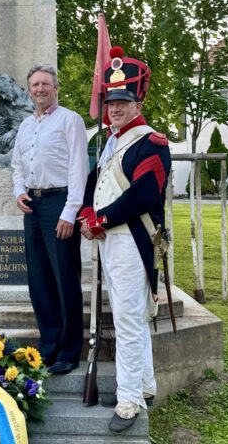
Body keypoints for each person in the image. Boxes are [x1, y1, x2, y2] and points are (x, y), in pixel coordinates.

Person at [78, 47, 171, 433]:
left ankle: (129, 399)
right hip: (109, 240)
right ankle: (145, 384)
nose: (115, 108)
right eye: (111, 101)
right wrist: (87, 213)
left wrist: (101, 218)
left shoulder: (152, 144)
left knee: (129, 321)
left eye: (123, 101)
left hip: (132, 239)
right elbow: (94, 183)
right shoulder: (111, 143)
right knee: (130, 315)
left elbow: (144, 195)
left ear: (137, 102)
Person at [11, 64, 89, 375]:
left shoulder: (71, 121)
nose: (40, 89)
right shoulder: (25, 126)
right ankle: (49, 345)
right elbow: (17, 165)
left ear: (56, 88)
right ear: (29, 90)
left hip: (60, 203)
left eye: (45, 84)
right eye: (34, 85)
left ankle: (70, 351)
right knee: (39, 280)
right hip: (32, 204)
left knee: (65, 278)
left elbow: (78, 168)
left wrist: (71, 211)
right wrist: (19, 191)